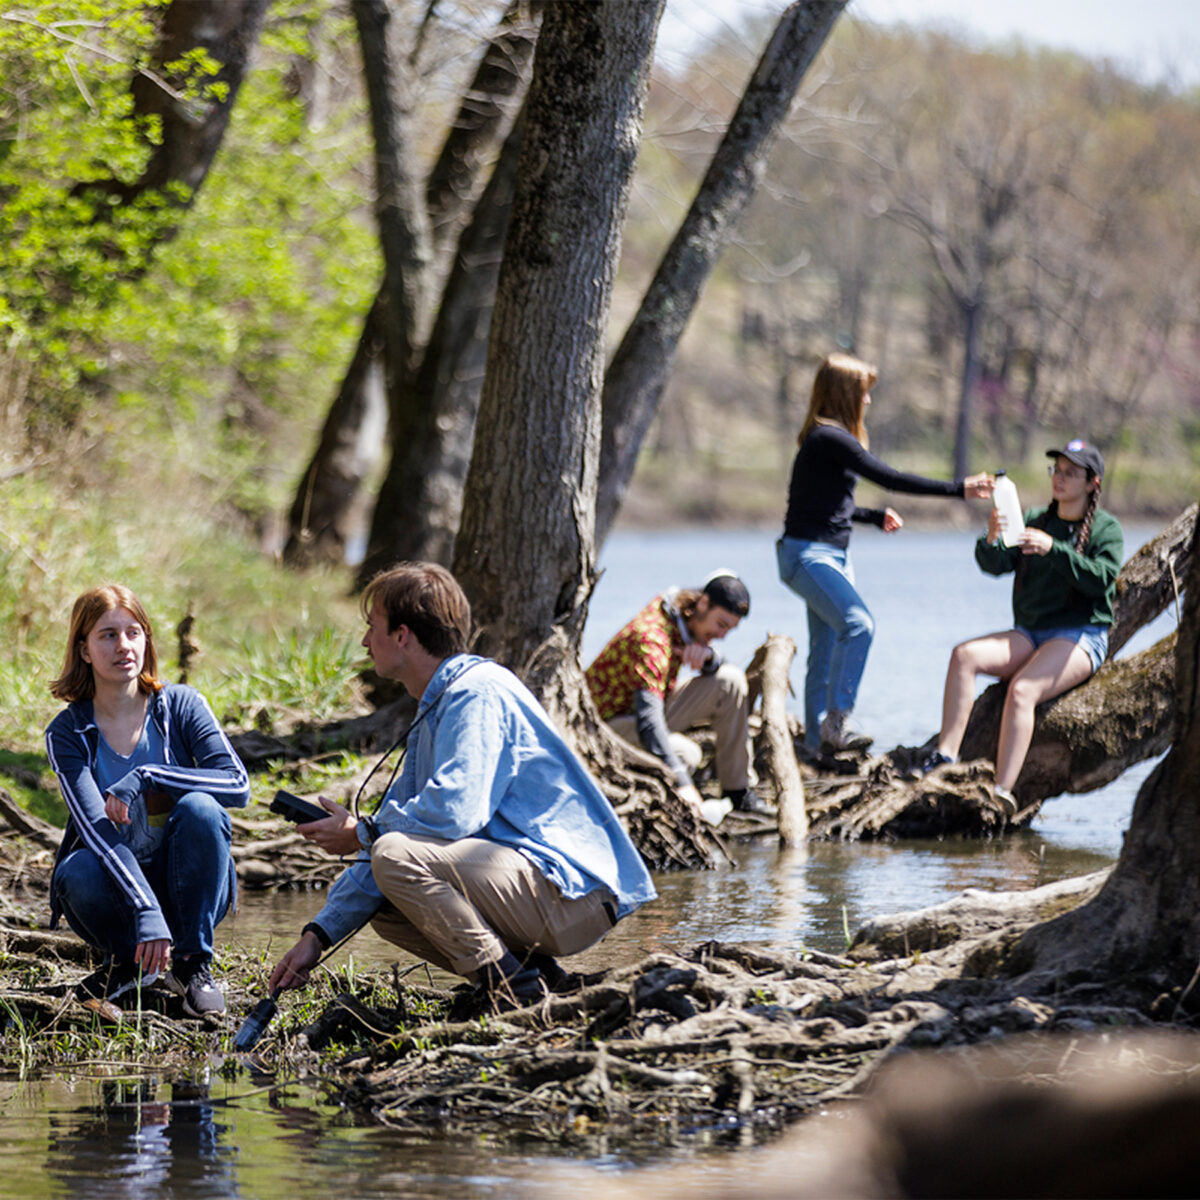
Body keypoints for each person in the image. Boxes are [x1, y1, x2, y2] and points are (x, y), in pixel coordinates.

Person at [268, 562, 656, 1012]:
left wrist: (360, 832)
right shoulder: (437, 704)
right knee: (387, 902)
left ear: (403, 635)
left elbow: (453, 812)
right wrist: (317, 936)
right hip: (538, 893)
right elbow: (404, 833)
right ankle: (536, 978)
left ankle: (513, 993)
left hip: (573, 897)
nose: (364, 640)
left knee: (391, 856)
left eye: (371, 626)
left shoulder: (477, 692)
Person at [44, 584, 249, 1015]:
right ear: (83, 650)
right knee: (76, 868)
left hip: (188, 883)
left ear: (147, 640)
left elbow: (237, 785)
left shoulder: (181, 706)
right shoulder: (67, 733)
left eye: (133, 633)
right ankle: (129, 963)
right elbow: (98, 834)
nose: (124, 646)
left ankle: (193, 964)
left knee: (202, 809)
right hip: (117, 894)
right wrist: (145, 908)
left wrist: (147, 775)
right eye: (108, 635)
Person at [776, 353, 993, 755]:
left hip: (824, 554)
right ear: (845, 394)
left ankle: (812, 748)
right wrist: (958, 488)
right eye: (864, 392)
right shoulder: (829, 437)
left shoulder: (823, 438)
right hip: (808, 557)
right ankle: (837, 724)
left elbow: (820, 506)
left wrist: (872, 516)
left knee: (824, 653)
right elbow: (889, 476)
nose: (869, 401)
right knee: (859, 625)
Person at [922, 439, 1123, 813]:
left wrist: (1055, 550)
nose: (1059, 479)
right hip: (1029, 632)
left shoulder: (1106, 530)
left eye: (1070, 473)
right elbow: (995, 565)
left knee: (1022, 690)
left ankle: (1002, 792)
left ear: (1093, 482)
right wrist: (992, 537)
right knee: (963, 656)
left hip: (1081, 635)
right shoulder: (1034, 519)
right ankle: (944, 758)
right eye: (1056, 471)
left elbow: (1101, 580)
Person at [585, 570, 767, 817]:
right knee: (687, 754)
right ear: (702, 603)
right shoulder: (651, 640)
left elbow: (716, 663)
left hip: (646, 706)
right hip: (606, 727)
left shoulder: (679, 615)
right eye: (721, 624)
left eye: (729, 630)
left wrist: (710, 658)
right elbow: (649, 724)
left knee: (731, 680)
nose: (722, 635)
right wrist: (684, 783)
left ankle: (738, 792)